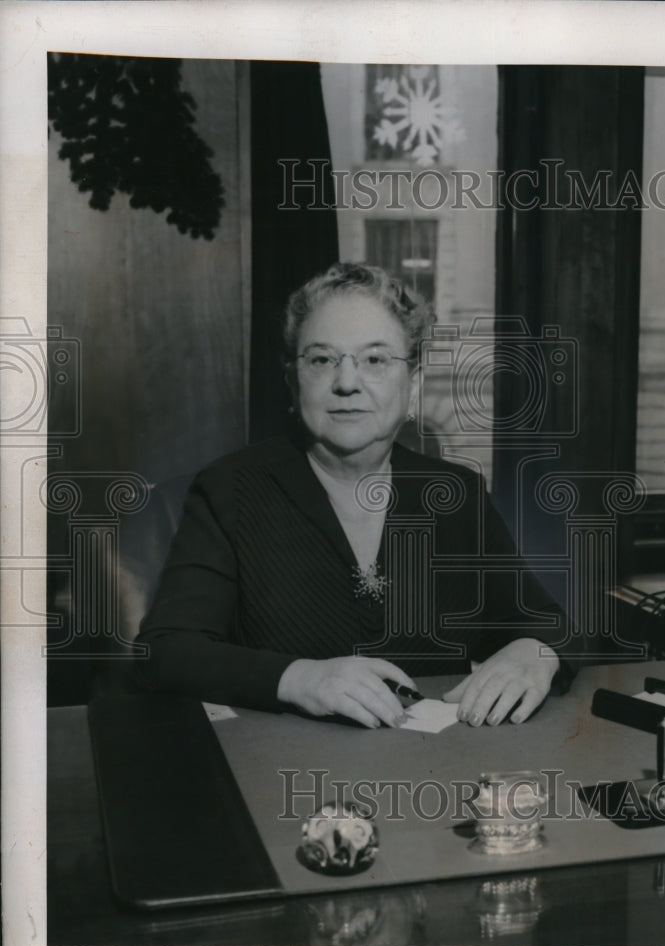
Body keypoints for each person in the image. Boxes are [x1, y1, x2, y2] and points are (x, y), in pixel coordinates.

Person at [137, 262, 578, 728]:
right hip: (282, 772)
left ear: (414, 386)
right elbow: (167, 651)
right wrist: (300, 679)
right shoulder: (230, 490)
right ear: (293, 383)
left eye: (375, 359)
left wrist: (535, 653)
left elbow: (547, 621)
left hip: (433, 770)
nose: (347, 383)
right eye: (322, 359)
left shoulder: (455, 494)